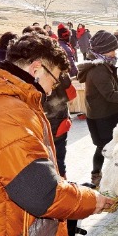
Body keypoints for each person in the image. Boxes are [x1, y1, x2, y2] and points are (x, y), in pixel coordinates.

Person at [0, 32, 113, 236]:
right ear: (36, 70)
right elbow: (42, 194)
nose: (52, 88)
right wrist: (91, 200)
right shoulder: (6, 114)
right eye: (54, 79)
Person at [77, 30, 118, 187]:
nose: (115, 52)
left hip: (109, 112)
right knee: (106, 148)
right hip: (103, 117)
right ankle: (101, 177)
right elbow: (110, 95)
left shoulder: (103, 65)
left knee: (109, 147)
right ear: (104, 50)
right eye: (113, 49)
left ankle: (103, 176)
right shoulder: (98, 70)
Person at [46, 23, 78, 179]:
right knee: (58, 157)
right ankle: (61, 184)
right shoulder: (57, 71)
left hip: (42, 125)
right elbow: (71, 94)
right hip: (56, 121)